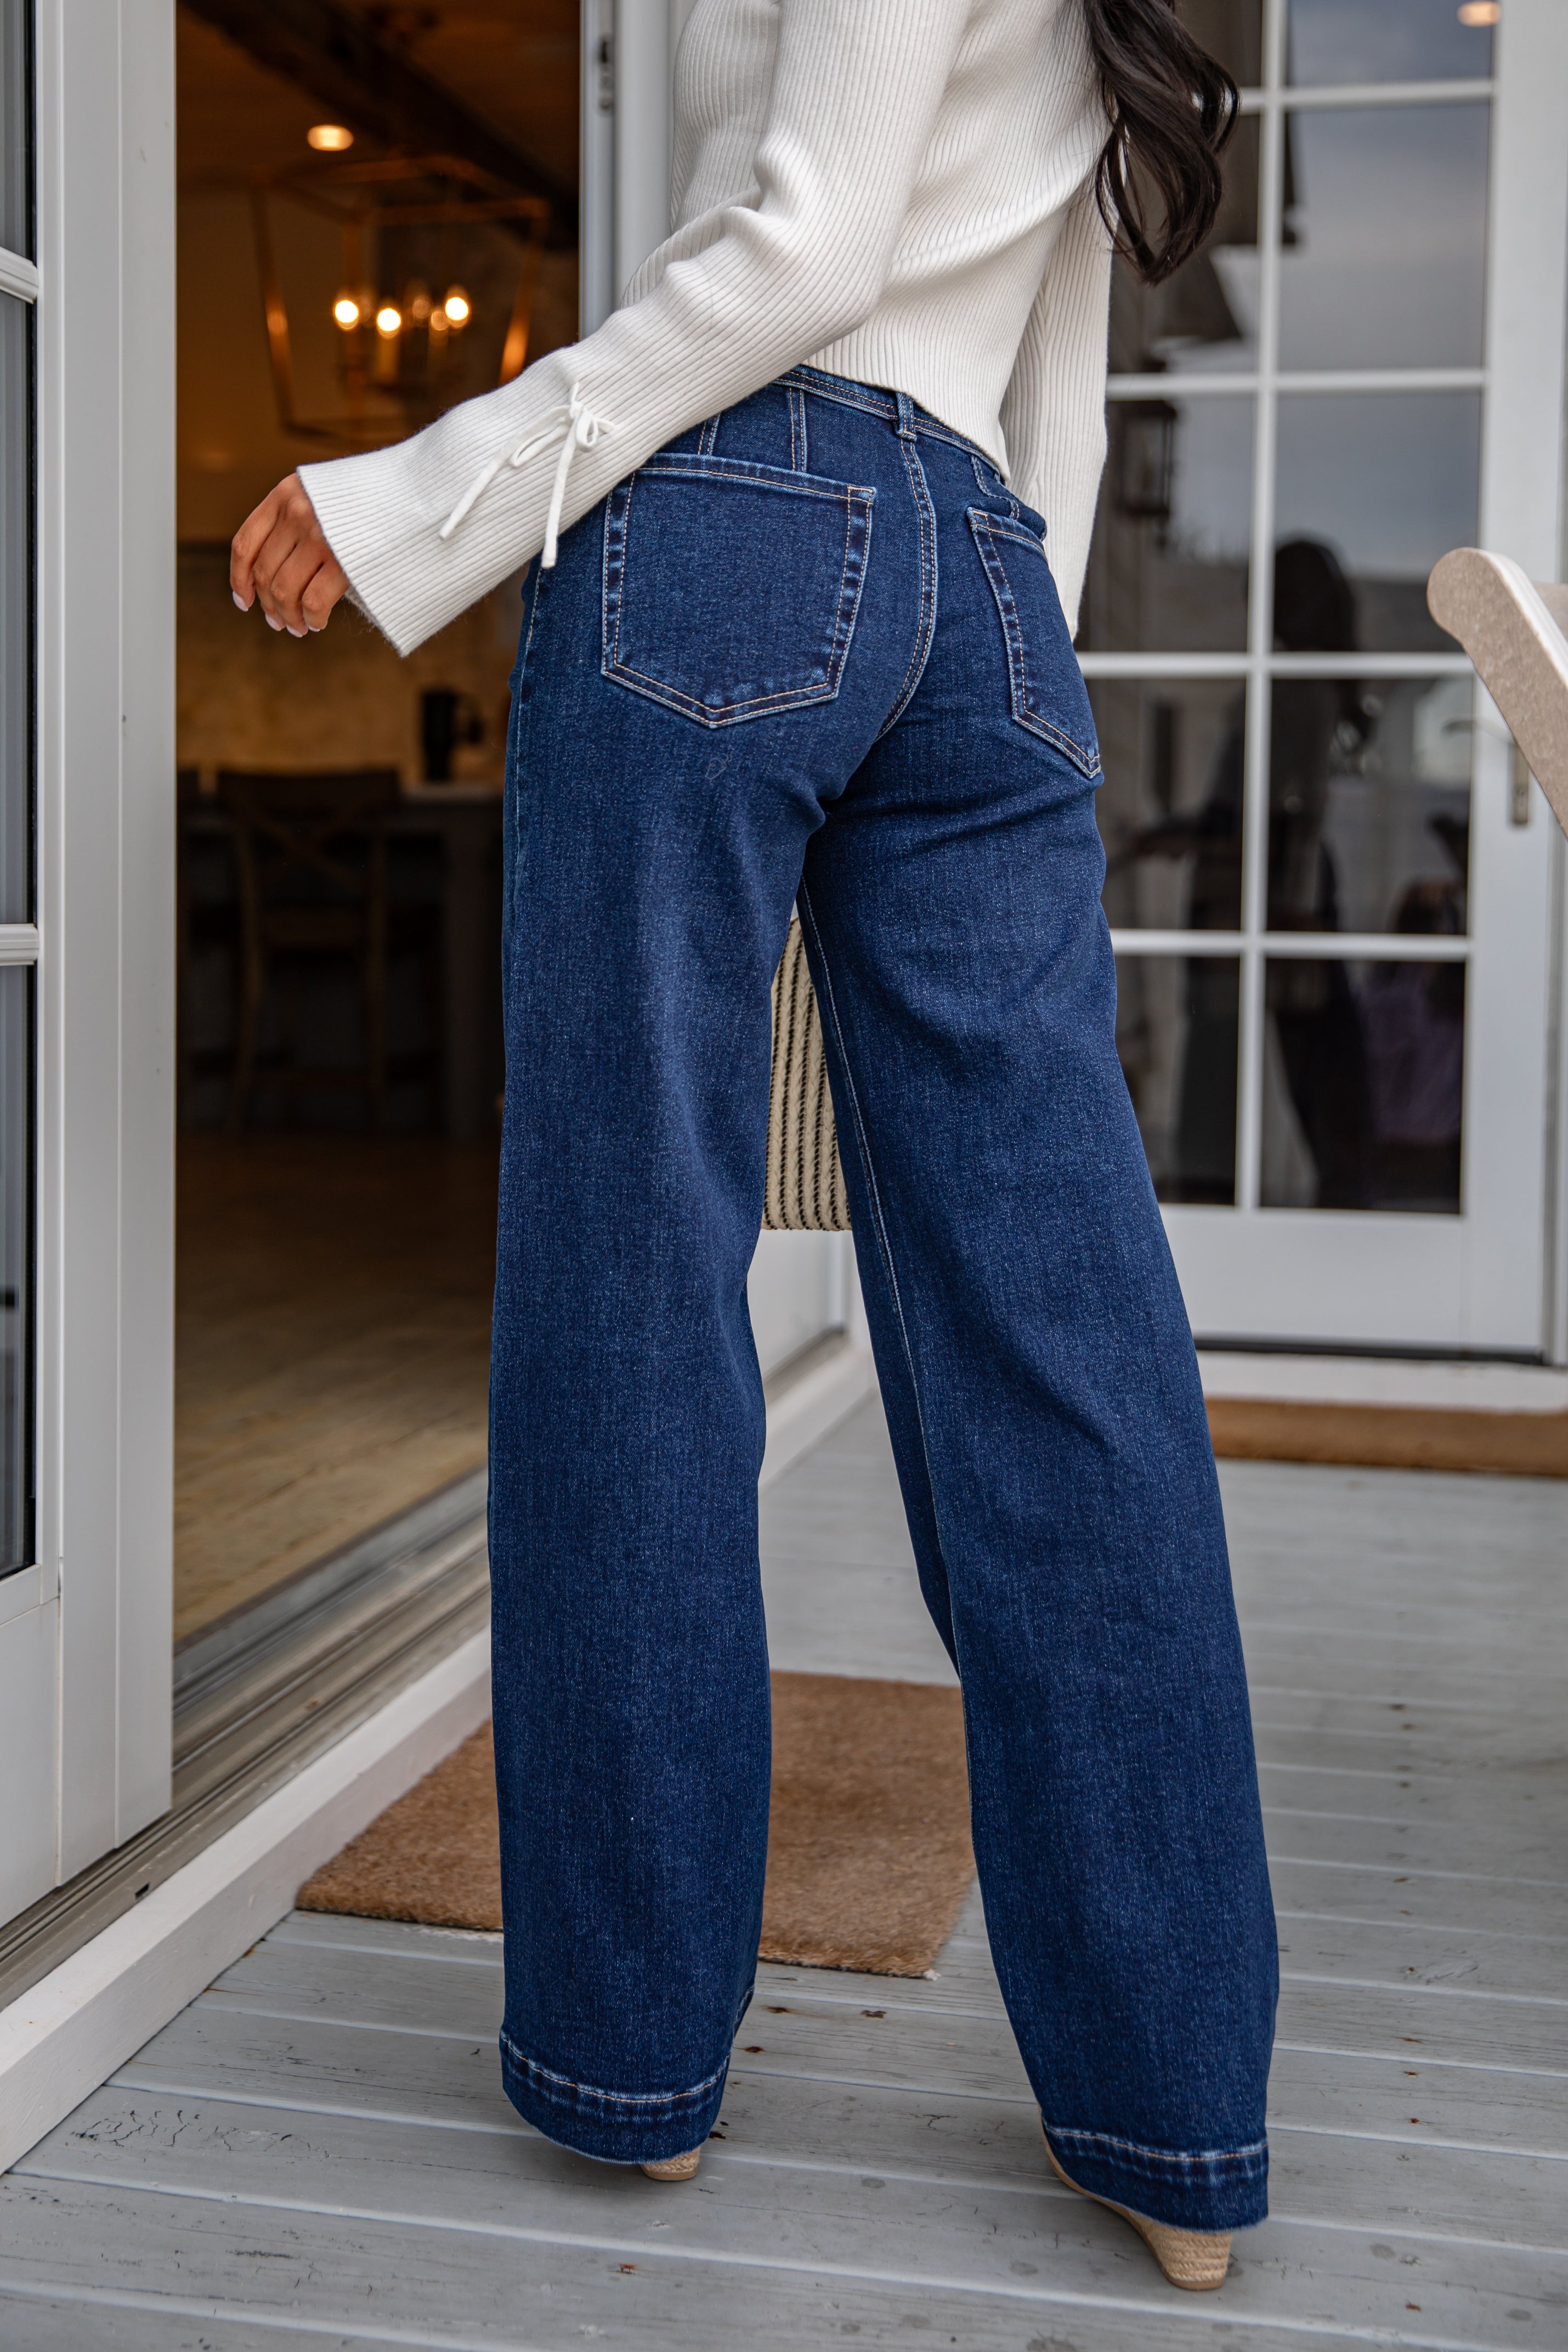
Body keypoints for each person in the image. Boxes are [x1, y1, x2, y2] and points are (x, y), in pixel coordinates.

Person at [231, 0, 1277, 2293]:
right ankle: (1178, 2123)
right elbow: (1061, 406)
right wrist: (1006, 661)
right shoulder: (1135, 26)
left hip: (715, 526)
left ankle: (634, 2071)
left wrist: (435, 489)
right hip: (993, 589)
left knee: (630, 1293)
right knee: (1064, 1347)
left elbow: (794, 252)